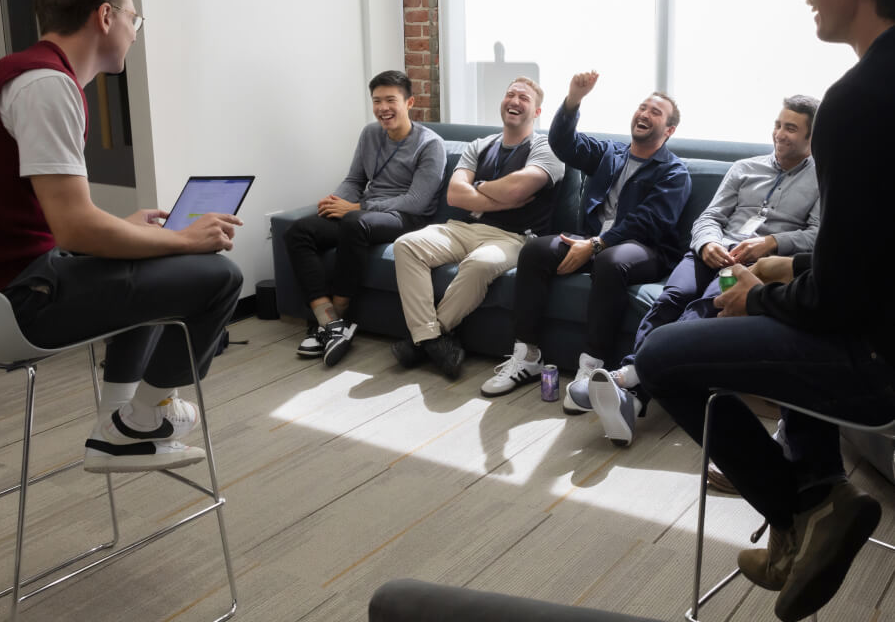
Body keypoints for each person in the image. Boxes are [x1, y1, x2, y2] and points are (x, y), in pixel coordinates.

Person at [635, 0, 895, 622]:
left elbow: (839, 302)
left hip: (877, 363)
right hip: (874, 327)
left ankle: (809, 509)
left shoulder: (859, 100)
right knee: (773, 319)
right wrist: (791, 272)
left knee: (664, 357)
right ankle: (801, 523)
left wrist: (763, 293)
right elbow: (871, 257)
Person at [0, 0, 244, 474]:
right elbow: (74, 227)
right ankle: (144, 422)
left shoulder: (26, 75)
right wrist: (188, 241)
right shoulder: (47, 86)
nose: (135, 33)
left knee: (145, 258)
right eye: (135, 19)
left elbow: (59, 220)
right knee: (219, 276)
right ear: (105, 17)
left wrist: (123, 231)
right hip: (8, 300)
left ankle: (119, 424)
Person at [577, 97, 820, 447]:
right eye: (779, 125)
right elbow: (709, 216)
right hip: (712, 251)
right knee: (671, 298)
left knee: (704, 307)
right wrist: (707, 244)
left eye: (791, 129)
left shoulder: (822, 179)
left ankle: (628, 376)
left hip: (753, 262)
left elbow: (815, 234)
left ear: (811, 138)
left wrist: (771, 243)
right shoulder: (744, 168)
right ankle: (631, 395)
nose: (780, 134)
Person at [483, 73, 691, 419]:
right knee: (535, 251)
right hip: (594, 241)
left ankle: (591, 367)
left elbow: (650, 222)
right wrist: (573, 100)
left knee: (610, 261)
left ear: (668, 130)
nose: (645, 113)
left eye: (655, 112)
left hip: (643, 250)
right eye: (642, 107)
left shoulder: (674, 172)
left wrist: (596, 245)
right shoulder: (610, 153)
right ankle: (527, 355)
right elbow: (563, 143)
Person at [391, 77, 564, 379]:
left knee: (479, 264)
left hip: (515, 237)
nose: (514, 100)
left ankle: (424, 339)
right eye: (510, 94)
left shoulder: (546, 147)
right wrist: (505, 198)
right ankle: (432, 340)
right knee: (406, 245)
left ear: (537, 112)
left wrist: (480, 190)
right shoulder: (480, 145)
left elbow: (520, 188)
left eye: (524, 98)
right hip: (463, 227)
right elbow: (455, 194)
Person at [284, 70, 445, 366]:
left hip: (406, 219)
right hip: (363, 215)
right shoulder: (370, 133)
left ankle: (339, 316)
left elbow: (416, 202)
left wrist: (358, 208)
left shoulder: (430, 144)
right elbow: (355, 179)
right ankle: (330, 322)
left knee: (352, 223)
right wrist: (337, 200)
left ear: (409, 103)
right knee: (298, 231)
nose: (383, 108)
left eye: (390, 100)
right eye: (376, 101)